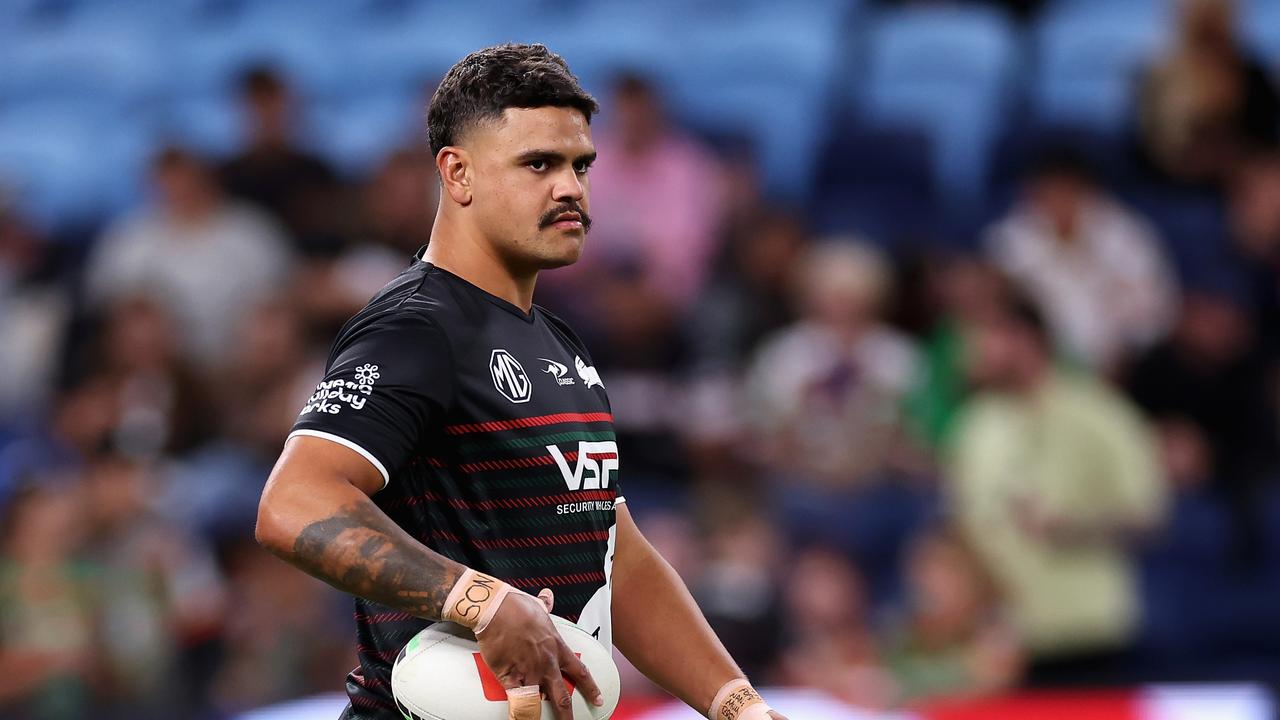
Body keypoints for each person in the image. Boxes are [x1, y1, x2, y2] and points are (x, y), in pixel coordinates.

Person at [254, 45, 788, 720]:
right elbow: (294, 502)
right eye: (539, 164)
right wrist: (479, 600)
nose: (571, 187)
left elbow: (616, 557)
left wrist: (738, 705)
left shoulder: (561, 342)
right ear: (458, 174)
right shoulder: (417, 329)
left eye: (580, 165)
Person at [947, 295, 1165, 686]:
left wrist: (1073, 527)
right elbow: (966, 525)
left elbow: (1149, 517)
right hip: (999, 642)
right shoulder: (975, 425)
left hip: (1084, 631)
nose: (971, 353)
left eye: (983, 339)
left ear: (1024, 339)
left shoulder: (1100, 412)